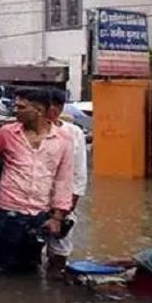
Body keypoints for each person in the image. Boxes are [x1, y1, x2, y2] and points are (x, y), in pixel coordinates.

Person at [0, 87, 74, 273]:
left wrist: (57, 217)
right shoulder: (6, 133)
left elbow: (64, 180)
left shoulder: (63, 139)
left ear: (39, 110)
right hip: (6, 210)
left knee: (30, 266)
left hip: (40, 213)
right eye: (15, 106)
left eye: (21, 107)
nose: (15, 111)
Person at [43, 88, 88, 275]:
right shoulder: (25, 130)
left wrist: (67, 207)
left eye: (56, 107)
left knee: (60, 247)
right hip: (32, 198)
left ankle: (55, 283)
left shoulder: (73, 133)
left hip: (63, 200)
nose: (51, 112)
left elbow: (79, 172)